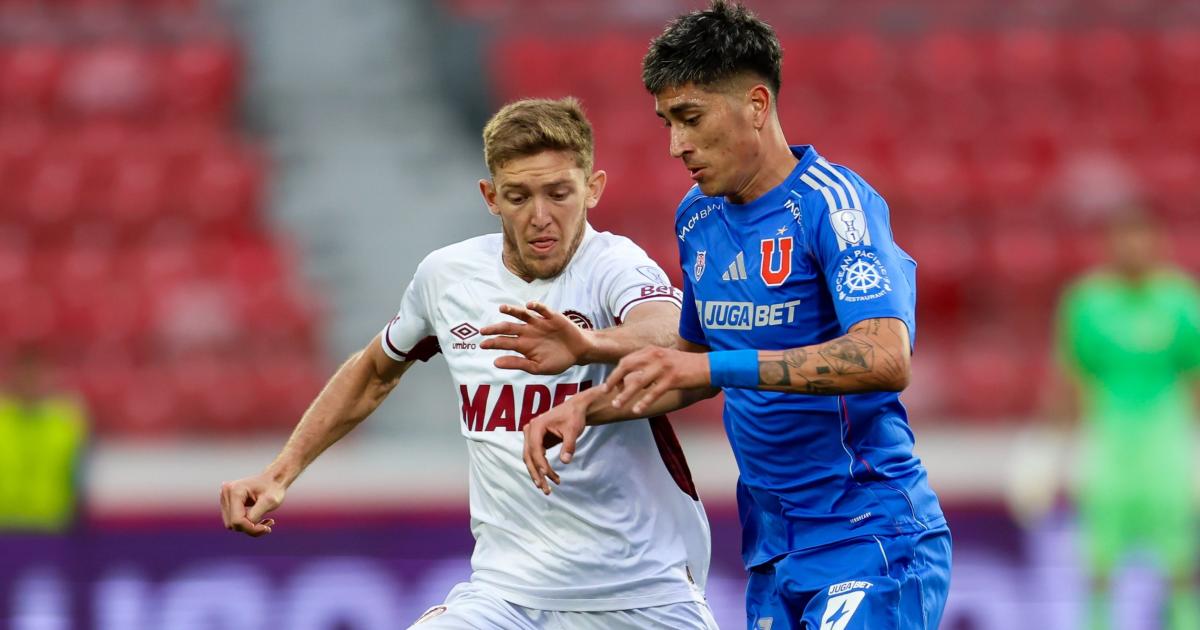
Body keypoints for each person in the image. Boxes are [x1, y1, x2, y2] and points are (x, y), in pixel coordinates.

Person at [508, 3, 950, 628]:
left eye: (690, 118)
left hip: (868, 534)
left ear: (757, 105)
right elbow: (691, 364)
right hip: (773, 550)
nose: (676, 145)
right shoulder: (698, 217)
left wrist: (716, 366)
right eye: (667, 123)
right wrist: (589, 405)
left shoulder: (835, 206)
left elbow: (884, 356)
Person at [218, 97, 718, 630]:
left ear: (593, 188)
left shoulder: (613, 264)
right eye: (518, 196)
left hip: (641, 591)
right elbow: (374, 372)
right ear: (490, 196)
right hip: (506, 596)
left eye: (559, 193)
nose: (540, 216)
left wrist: (586, 345)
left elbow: (676, 331)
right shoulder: (447, 277)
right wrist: (278, 473)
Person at [1054, 210, 1200, 630]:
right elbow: (1072, 377)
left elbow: (1193, 374)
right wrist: (1052, 448)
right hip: (1109, 441)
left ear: (1158, 243)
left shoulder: (1181, 299)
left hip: (1165, 441)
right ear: (1110, 245)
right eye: (1124, 239)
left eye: (1142, 238)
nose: (1133, 248)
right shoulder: (1087, 302)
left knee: (1179, 562)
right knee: (1099, 562)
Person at [0, 347, 88, 532]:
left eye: (36, 377)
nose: (30, 383)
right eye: (25, 377)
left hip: (52, 524)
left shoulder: (67, 422)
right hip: (5, 525)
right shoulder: (3, 419)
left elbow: (79, 475)